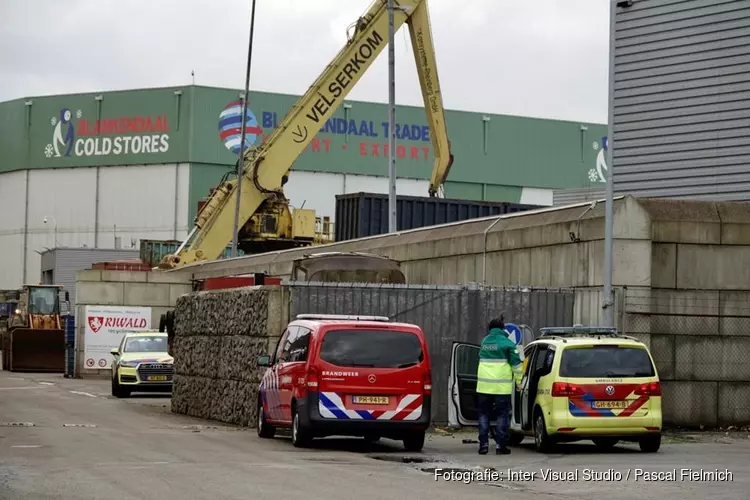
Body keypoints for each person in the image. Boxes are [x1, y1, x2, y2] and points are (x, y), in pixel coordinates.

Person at [476, 314, 523, 455]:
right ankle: (500, 446)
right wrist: (519, 382)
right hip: (501, 389)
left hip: (483, 387)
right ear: (503, 329)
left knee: (483, 415)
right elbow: (516, 365)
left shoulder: (485, 342)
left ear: (490, 329)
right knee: (502, 416)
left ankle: (483, 445)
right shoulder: (508, 344)